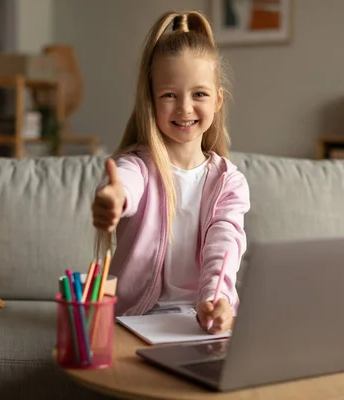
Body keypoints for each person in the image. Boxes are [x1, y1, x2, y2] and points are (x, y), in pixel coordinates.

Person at [91, 10, 250, 335]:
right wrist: (115, 197)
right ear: (150, 100)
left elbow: (224, 244)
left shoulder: (228, 182)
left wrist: (216, 300)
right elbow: (126, 186)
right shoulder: (138, 166)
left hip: (200, 321)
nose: (185, 108)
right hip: (135, 319)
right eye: (169, 96)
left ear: (218, 100)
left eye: (199, 94)